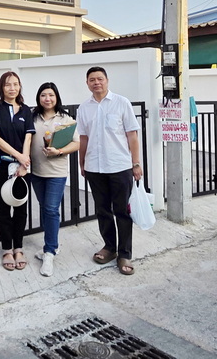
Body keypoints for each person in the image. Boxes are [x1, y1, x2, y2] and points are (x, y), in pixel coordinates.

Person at [77, 66, 142, 276]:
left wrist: (136, 163)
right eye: (92, 80)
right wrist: (82, 162)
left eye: (100, 79)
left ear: (107, 80)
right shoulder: (83, 108)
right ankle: (109, 248)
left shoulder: (121, 103)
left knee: (122, 211)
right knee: (103, 210)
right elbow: (83, 138)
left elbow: (132, 135)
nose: (96, 83)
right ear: (87, 83)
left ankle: (125, 254)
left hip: (119, 166)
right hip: (94, 167)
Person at [0, 71, 35, 271]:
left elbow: (29, 137)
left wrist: (24, 162)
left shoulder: (26, 110)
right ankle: (7, 249)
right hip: (2, 165)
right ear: (2, 87)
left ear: (20, 86)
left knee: (21, 207)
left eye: (15, 84)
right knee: (3, 208)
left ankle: (18, 248)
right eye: (7, 84)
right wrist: (19, 156)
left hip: (23, 167)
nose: (12, 88)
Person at [30, 82, 79, 277]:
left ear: (56, 97)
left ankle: (49, 251)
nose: (47, 99)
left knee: (51, 209)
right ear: (39, 98)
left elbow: (76, 143)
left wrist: (58, 151)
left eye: (51, 95)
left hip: (57, 172)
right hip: (36, 171)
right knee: (45, 208)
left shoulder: (65, 118)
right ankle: (52, 245)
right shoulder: (32, 117)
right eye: (43, 95)